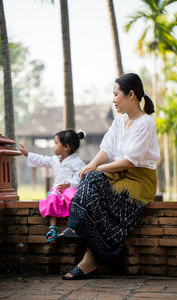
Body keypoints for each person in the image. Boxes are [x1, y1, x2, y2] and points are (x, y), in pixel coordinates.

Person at [57, 73, 160, 280]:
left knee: (95, 179)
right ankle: (77, 232)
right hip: (118, 173)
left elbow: (130, 161)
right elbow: (107, 149)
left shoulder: (146, 123)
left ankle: (86, 251)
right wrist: (92, 165)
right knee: (89, 178)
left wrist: (99, 169)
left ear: (131, 95)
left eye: (116, 94)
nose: (113, 100)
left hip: (140, 180)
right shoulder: (119, 121)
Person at [20, 129, 85, 242]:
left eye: (56, 143)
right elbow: (42, 160)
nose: (53, 146)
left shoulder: (77, 162)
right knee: (52, 198)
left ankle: (72, 227)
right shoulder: (54, 160)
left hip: (70, 188)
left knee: (72, 198)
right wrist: (28, 154)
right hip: (58, 189)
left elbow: (81, 176)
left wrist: (70, 184)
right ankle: (53, 227)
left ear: (66, 147)